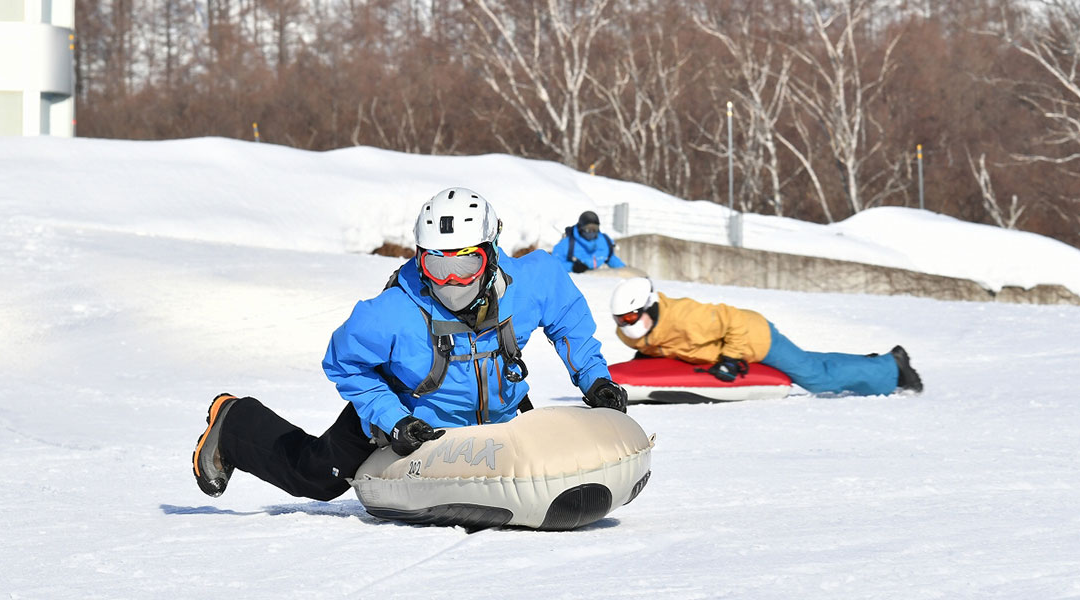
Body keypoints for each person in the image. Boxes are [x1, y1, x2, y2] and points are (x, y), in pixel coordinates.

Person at [193, 187, 628, 500]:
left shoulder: (536, 280)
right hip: (407, 417)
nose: (451, 281)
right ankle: (236, 423)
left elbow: (570, 325)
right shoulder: (389, 312)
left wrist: (595, 381)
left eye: (466, 264)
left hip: (496, 416)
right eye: (436, 266)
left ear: (491, 252)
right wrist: (392, 418)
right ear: (420, 259)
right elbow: (343, 363)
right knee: (317, 478)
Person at [608, 277, 923, 396]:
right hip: (737, 342)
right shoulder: (632, 333)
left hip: (755, 338)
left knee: (815, 378)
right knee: (812, 361)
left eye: (632, 316)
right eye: (621, 320)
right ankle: (869, 364)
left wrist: (731, 358)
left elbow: (733, 322)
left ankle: (894, 370)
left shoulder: (687, 317)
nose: (627, 323)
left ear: (649, 307)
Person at [551, 210, 627, 273]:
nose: (591, 232)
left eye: (594, 229)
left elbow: (610, 258)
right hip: (576, 282)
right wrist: (572, 267)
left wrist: (625, 269)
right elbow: (553, 266)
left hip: (598, 284)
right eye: (588, 229)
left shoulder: (604, 241)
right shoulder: (566, 245)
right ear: (581, 228)